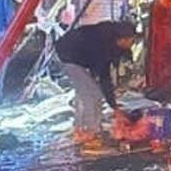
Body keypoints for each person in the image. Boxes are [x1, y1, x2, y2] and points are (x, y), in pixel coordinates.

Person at [54, 20, 138, 149]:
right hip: (69, 56)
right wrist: (115, 108)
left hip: (76, 54)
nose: (131, 45)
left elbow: (103, 74)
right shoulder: (103, 46)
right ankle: (91, 132)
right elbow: (104, 78)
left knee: (84, 92)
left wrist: (114, 107)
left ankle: (80, 128)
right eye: (131, 41)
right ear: (122, 39)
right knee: (93, 95)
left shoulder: (111, 38)